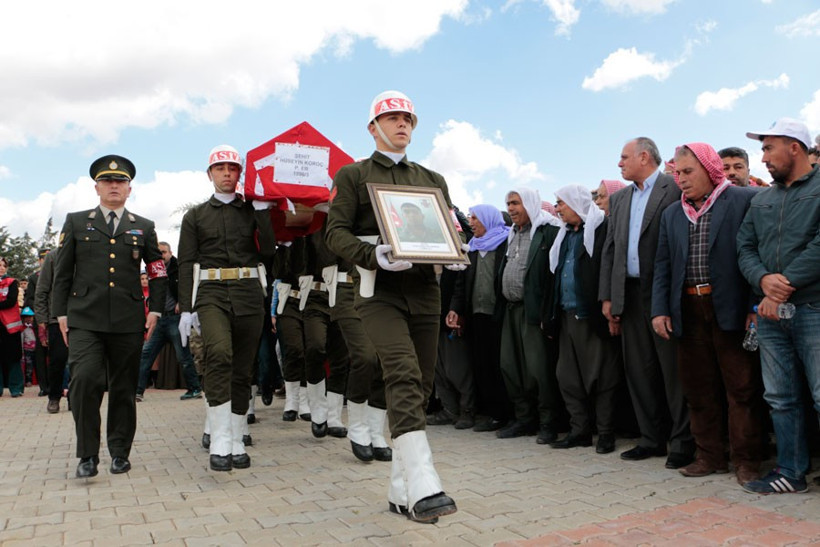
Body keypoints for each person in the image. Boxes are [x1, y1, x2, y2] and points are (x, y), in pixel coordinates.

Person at [325, 90, 457, 523]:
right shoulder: (353, 175)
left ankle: (400, 490)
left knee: (419, 384)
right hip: (377, 289)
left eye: (409, 119)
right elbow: (335, 233)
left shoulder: (432, 179)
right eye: (393, 118)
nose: (403, 125)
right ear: (373, 128)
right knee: (399, 371)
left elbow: (448, 233)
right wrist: (372, 254)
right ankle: (424, 482)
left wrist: (455, 236)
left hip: (424, 289)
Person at [652, 143, 765, 486]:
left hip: (730, 307)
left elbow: (757, 253)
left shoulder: (743, 200)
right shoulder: (673, 213)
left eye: (688, 172)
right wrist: (659, 310)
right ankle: (709, 456)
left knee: (742, 389)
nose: (681, 180)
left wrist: (754, 307)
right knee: (698, 389)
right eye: (677, 173)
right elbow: (663, 265)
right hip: (687, 308)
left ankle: (746, 461)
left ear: (709, 168)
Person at [53, 154, 168, 479]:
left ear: (129, 189)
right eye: (107, 181)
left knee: (123, 387)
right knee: (85, 380)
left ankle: (120, 452)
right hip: (84, 318)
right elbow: (63, 272)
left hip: (127, 319)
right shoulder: (76, 221)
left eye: (120, 182)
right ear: (97, 187)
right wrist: (61, 313)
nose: (114, 186)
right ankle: (87, 454)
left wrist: (155, 309)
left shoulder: (142, 227)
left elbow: (157, 271)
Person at [177, 144, 276, 472]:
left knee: (242, 367)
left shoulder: (250, 210)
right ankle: (219, 437)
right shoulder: (195, 216)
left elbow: (271, 250)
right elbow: (187, 262)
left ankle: (235, 437)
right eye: (220, 169)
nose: (227, 174)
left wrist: (262, 211)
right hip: (211, 293)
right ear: (210, 174)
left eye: (232, 169)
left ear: (239, 174)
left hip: (249, 292)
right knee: (219, 354)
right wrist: (185, 308)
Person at [599, 137, 694, 469]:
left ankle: (683, 442)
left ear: (644, 157)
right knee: (638, 372)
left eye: (624, 157)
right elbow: (610, 249)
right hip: (629, 294)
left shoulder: (674, 188)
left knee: (673, 372)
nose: (620, 163)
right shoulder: (621, 198)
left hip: (665, 294)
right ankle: (651, 439)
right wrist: (608, 296)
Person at [737, 118, 820, 494]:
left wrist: (780, 286)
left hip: (813, 308)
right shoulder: (762, 199)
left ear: (795, 148)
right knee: (780, 397)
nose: (763, 157)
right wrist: (761, 280)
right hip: (771, 316)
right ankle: (791, 472)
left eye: (769, 148)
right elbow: (744, 246)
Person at [545, 184, 620, 454]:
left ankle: (606, 433)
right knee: (568, 377)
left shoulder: (600, 231)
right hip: (567, 318)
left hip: (592, 318)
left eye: (562, 203)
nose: (558, 208)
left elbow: (606, 271)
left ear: (576, 204)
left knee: (601, 377)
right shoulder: (564, 236)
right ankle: (579, 431)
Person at [496, 187, 564, 445]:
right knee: (511, 366)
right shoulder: (512, 234)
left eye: (516, 203)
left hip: (534, 312)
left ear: (531, 204)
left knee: (539, 370)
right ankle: (524, 419)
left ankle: (548, 422)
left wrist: (549, 313)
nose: (511, 208)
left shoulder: (549, 232)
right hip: (511, 310)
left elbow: (552, 276)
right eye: (508, 203)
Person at [447, 204, 513, 432]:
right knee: (482, 366)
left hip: (501, 317)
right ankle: (494, 413)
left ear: (488, 219)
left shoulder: (506, 243)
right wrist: (456, 309)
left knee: (502, 366)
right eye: (471, 217)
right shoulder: (472, 248)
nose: (471, 221)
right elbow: (460, 285)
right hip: (477, 317)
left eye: (476, 218)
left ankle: (510, 414)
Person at [136, 242, 202, 401]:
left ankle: (195, 389)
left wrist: (182, 302)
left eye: (164, 252)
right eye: (159, 252)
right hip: (159, 318)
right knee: (146, 354)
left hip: (175, 318)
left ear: (170, 253)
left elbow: (189, 286)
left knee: (183, 355)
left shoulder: (178, 268)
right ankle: (138, 391)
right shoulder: (154, 269)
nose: (162, 255)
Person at [35, 247, 70, 413]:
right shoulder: (53, 256)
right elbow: (42, 290)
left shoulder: (86, 251)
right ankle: (54, 397)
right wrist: (42, 319)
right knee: (58, 360)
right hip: (56, 318)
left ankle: (75, 398)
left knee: (80, 362)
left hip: (82, 317)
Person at [23, 248, 50, 396]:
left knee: (55, 355)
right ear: (39, 260)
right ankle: (43, 386)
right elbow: (29, 299)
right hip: (40, 320)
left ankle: (55, 384)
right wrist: (41, 309)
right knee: (40, 354)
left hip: (54, 320)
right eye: (43, 258)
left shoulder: (58, 274)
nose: (45, 261)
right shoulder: (34, 278)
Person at [0, 257, 25, 397]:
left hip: (10, 327)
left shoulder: (12, 283)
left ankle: (16, 388)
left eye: (4, 266)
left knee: (13, 357)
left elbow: (10, 301)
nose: (2, 268)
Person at [20, 307, 37, 386]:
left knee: (37, 365)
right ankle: (28, 380)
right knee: (28, 366)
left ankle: (38, 380)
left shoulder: (35, 327)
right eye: (26, 317)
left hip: (35, 349)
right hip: (27, 350)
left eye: (30, 317)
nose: (28, 319)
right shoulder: (22, 328)